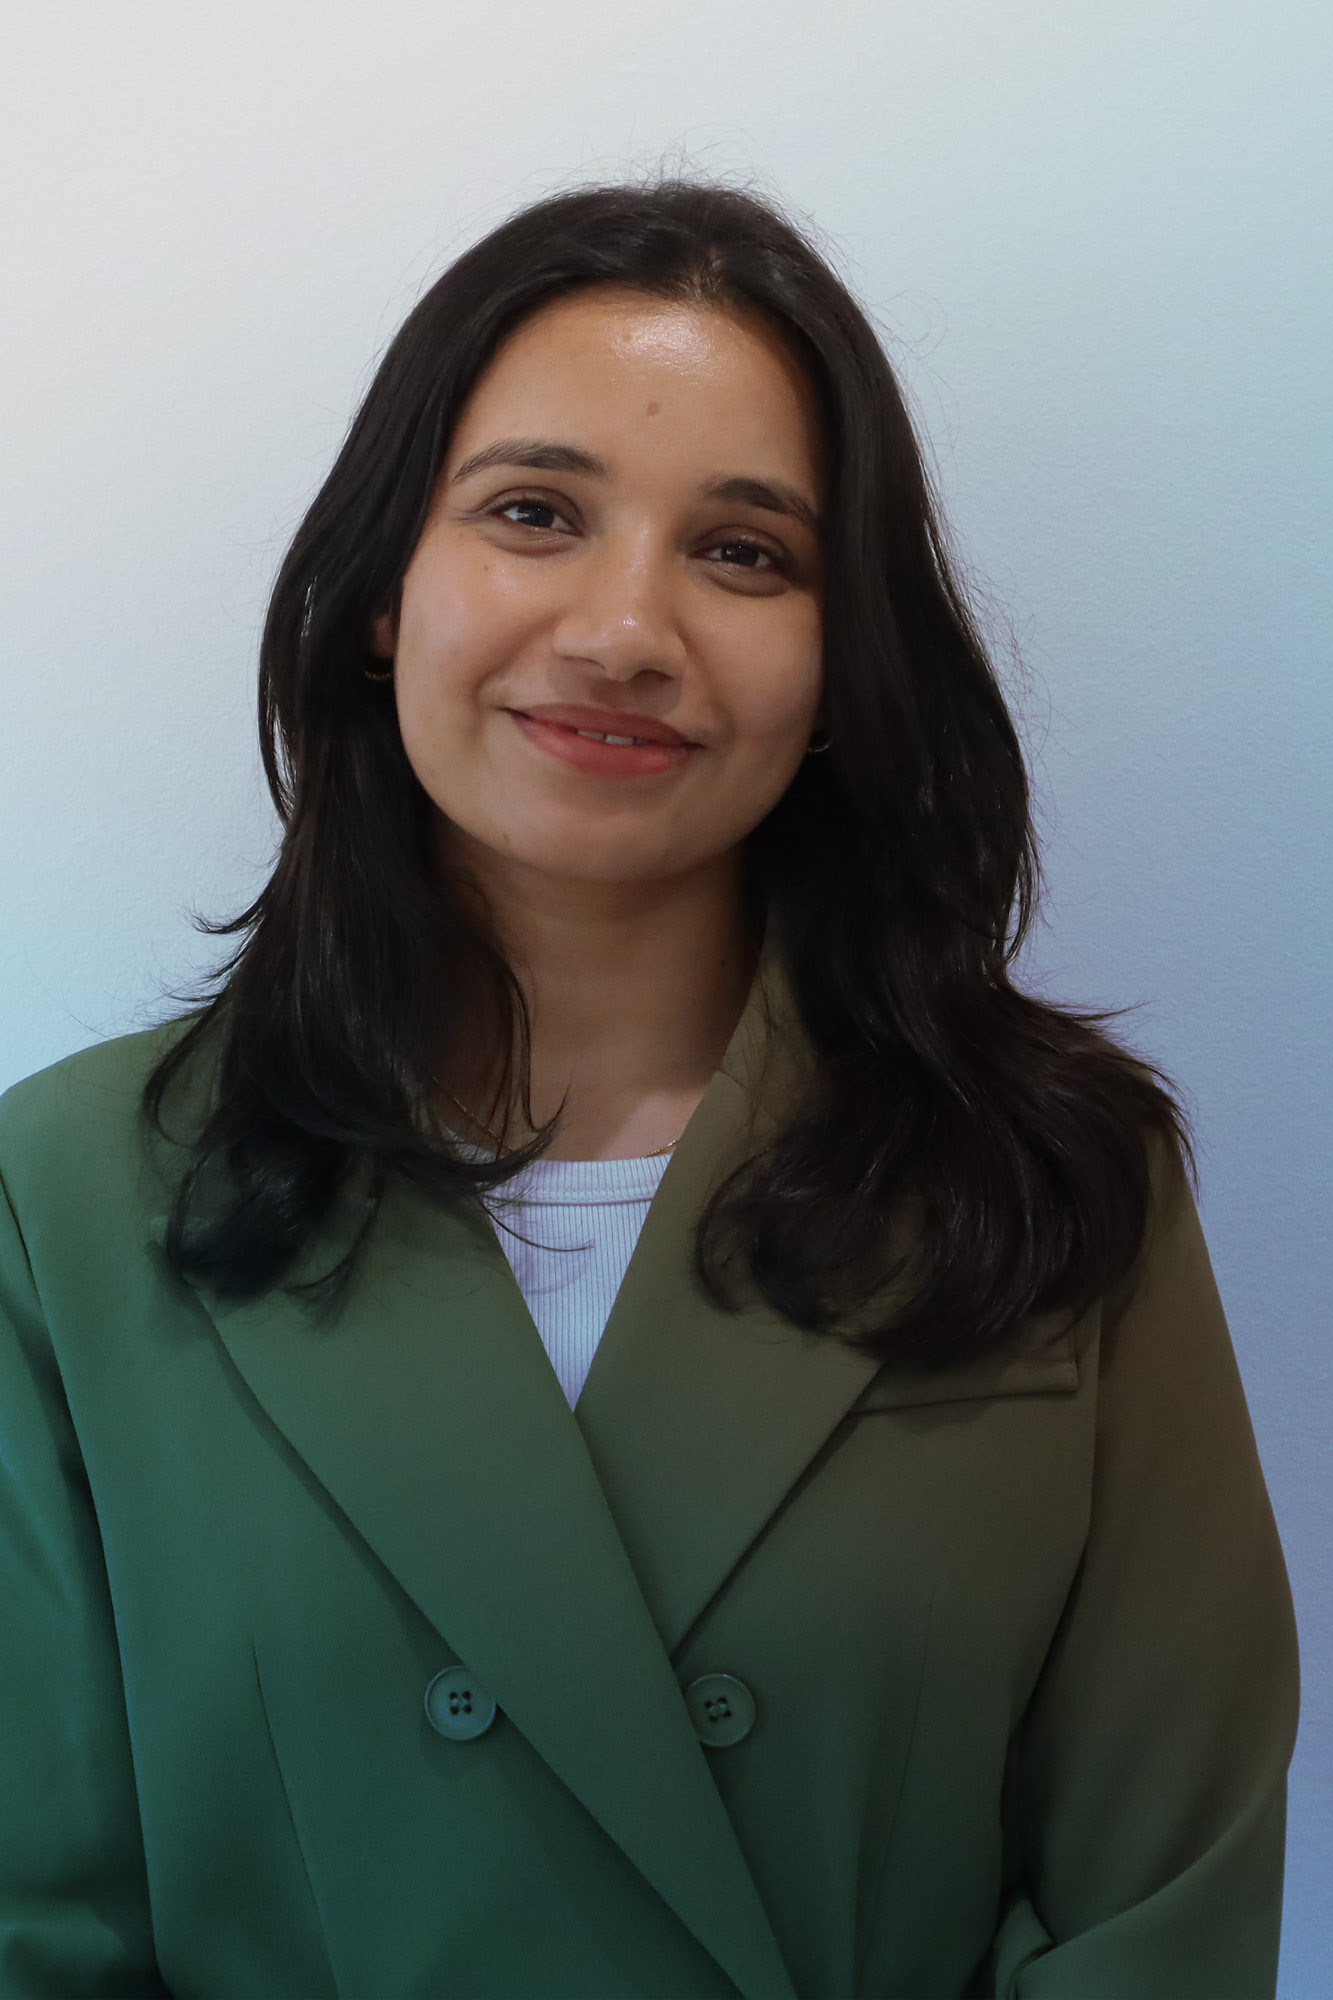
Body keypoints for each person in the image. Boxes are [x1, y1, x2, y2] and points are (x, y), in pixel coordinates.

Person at [0, 178, 1298, 2000]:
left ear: (843, 668)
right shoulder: (67, 1197)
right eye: (533, 513)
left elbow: (1159, 1911)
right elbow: (34, 1922)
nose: (625, 631)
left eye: (745, 553)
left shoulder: (1056, 1180)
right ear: (383, 593)